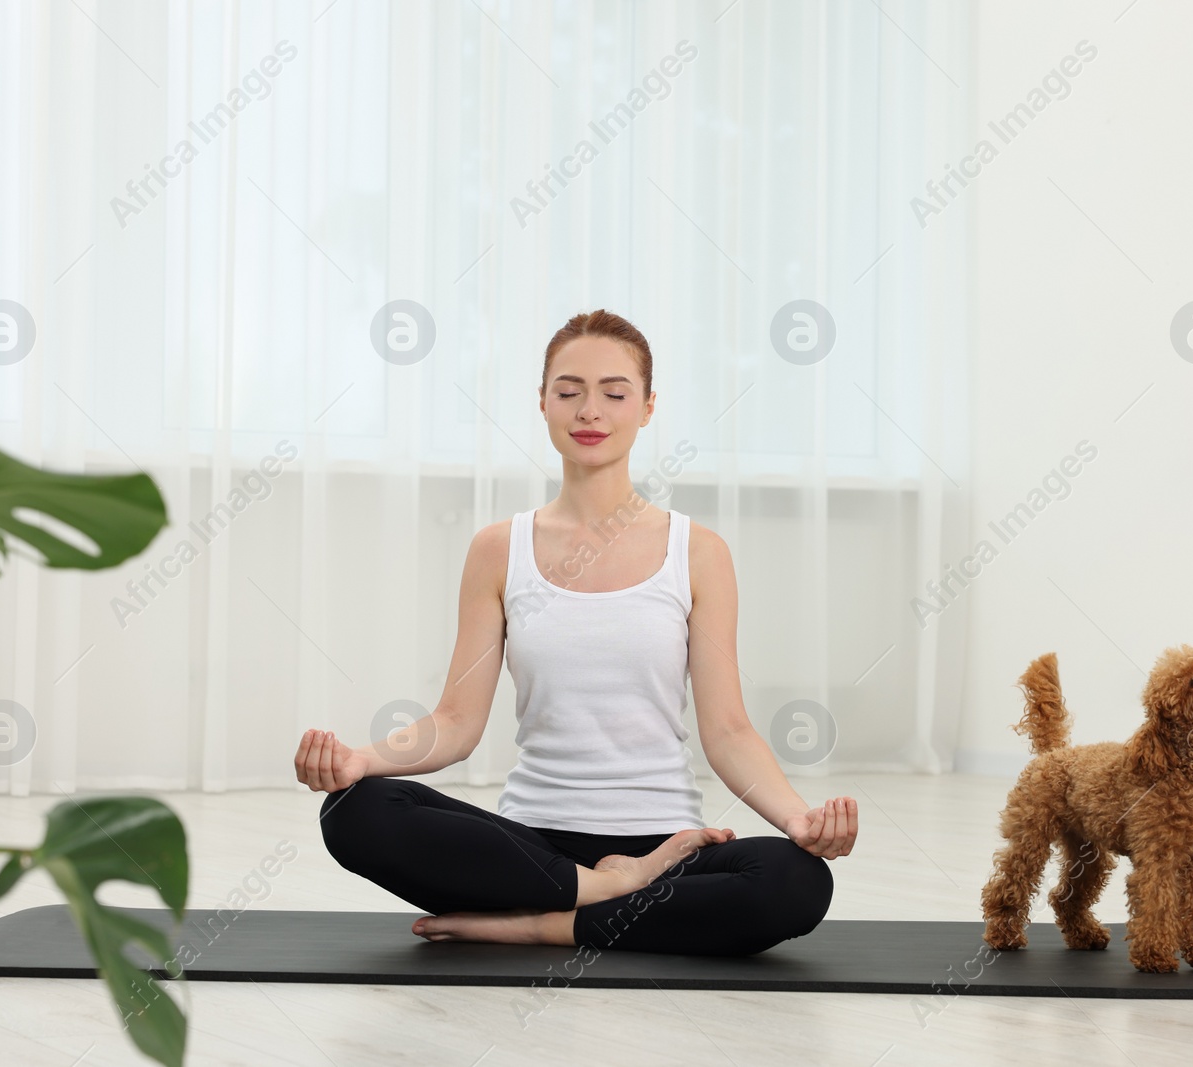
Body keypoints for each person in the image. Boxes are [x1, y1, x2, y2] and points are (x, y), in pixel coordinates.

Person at [295, 309, 857, 956]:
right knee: (352, 811)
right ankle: (593, 892)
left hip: (663, 849)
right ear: (542, 403)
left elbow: (728, 731)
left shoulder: (698, 552)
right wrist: (357, 761)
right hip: (532, 848)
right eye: (569, 391)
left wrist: (798, 820)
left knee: (796, 880)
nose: (590, 410)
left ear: (647, 407)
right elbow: (455, 722)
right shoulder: (497, 549)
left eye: (615, 393)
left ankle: (546, 922)